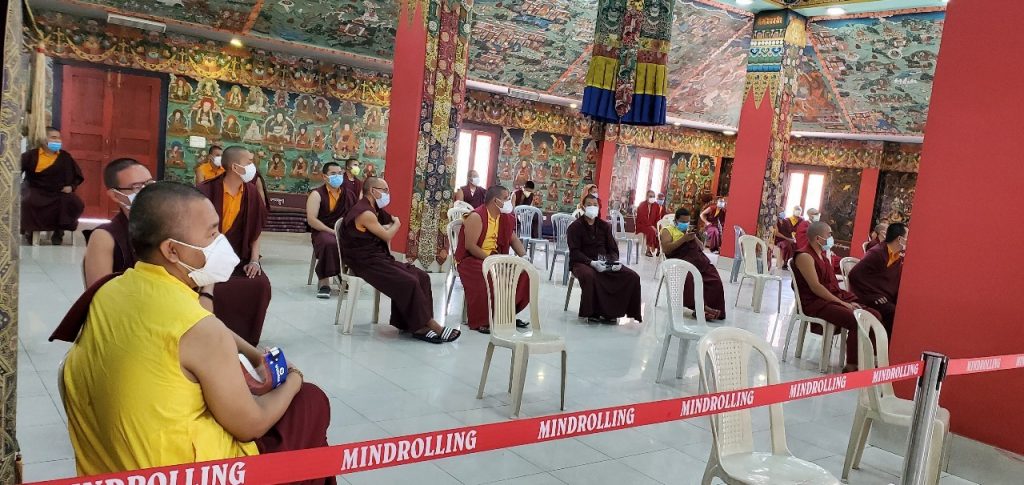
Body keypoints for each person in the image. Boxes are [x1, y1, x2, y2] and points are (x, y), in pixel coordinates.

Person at [53, 182, 332, 483]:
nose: (221, 242)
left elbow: (199, 323)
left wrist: (253, 354)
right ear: (172, 250)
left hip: (107, 465)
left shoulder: (112, 289)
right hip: (180, 474)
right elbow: (250, 425)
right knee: (310, 401)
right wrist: (293, 378)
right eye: (211, 235)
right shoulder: (198, 329)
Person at [340, 177, 460, 343]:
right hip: (364, 262)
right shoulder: (364, 212)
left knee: (422, 276)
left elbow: (388, 220)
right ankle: (429, 325)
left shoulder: (374, 209)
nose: (387, 194)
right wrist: (396, 224)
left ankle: (409, 323)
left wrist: (389, 223)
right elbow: (387, 235)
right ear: (373, 191)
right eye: (384, 190)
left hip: (379, 258)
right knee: (408, 281)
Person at [198, 147, 272, 346]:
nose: (253, 166)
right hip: (205, 258)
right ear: (235, 167)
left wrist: (254, 261)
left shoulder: (251, 193)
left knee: (260, 285)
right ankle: (211, 338)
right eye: (249, 162)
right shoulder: (205, 192)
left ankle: (246, 341)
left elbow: (256, 230)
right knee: (218, 289)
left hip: (239, 258)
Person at [792, 221, 882, 372]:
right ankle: (852, 364)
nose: (831, 238)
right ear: (818, 238)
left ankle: (869, 358)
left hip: (830, 298)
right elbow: (816, 287)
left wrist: (844, 299)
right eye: (829, 234)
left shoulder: (823, 256)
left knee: (874, 315)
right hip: (816, 302)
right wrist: (843, 304)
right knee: (857, 320)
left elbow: (831, 283)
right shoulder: (804, 256)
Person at [457, 186, 532, 333]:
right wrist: (493, 262)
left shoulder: (504, 217)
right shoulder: (476, 216)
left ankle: (505, 314)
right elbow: (470, 246)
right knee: (489, 274)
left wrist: (524, 257)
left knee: (524, 273)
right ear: (495, 201)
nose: (509, 201)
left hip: (495, 257)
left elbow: (513, 239)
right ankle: (482, 320)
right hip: (471, 259)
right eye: (506, 198)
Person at [567, 195, 643, 323]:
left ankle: (611, 312)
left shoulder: (604, 226)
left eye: (595, 205)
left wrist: (613, 262)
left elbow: (613, 249)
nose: (592, 207)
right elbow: (575, 252)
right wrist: (592, 263)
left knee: (632, 276)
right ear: (583, 207)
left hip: (604, 261)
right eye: (589, 204)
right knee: (590, 275)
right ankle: (593, 312)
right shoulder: (575, 227)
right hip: (582, 262)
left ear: (599, 207)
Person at [83, 158, 154, 287]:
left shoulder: (170, 225)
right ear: (115, 195)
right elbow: (99, 293)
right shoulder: (105, 237)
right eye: (137, 187)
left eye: (149, 184)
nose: (147, 191)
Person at [20, 126, 85, 245]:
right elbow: (16, 171)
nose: (57, 141)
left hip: (58, 191)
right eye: (54, 138)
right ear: (44, 140)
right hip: (36, 188)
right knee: (28, 201)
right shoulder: (31, 155)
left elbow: (77, 175)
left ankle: (59, 231)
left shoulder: (65, 157)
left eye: (59, 138)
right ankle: (31, 231)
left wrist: (71, 187)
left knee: (75, 202)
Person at [660, 208, 726, 321]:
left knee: (714, 278)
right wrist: (683, 239)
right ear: (676, 220)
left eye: (687, 222)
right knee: (690, 277)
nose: (685, 224)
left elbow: (701, 248)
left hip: (698, 260)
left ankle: (712, 308)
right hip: (680, 260)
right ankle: (701, 308)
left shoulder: (688, 231)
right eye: (683, 222)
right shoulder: (667, 230)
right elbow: (666, 249)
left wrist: (693, 237)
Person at [305, 162, 355, 299]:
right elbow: (312, 220)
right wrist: (332, 231)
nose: (337, 176)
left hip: (343, 232)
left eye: (339, 173)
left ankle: (343, 274)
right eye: (333, 174)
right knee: (329, 243)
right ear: (324, 177)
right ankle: (324, 282)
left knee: (358, 242)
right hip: (322, 231)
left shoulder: (349, 194)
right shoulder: (316, 194)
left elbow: (354, 216)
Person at [849, 223, 907, 335]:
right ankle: (882, 344)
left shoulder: (896, 257)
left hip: (884, 297)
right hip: (868, 297)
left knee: (904, 308)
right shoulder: (877, 253)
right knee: (894, 313)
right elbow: (854, 275)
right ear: (900, 239)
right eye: (907, 237)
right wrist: (873, 296)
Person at [635, 190, 665, 257]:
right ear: (646, 197)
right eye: (650, 196)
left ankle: (659, 249)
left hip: (652, 225)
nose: (652, 198)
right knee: (651, 230)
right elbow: (643, 218)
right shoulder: (642, 205)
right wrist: (652, 226)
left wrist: (657, 227)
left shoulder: (656, 205)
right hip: (642, 225)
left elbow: (658, 217)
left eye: (653, 196)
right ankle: (648, 250)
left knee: (661, 230)